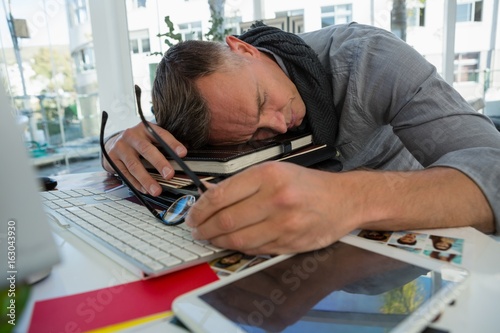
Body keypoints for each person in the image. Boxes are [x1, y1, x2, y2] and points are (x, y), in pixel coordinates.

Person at [102, 22, 500, 256]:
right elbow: (145, 147)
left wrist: (351, 197)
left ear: (243, 49)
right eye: (254, 134)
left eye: (262, 100)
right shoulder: (218, 108)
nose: (277, 126)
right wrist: (115, 147)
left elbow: (494, 169)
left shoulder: (371, 59)